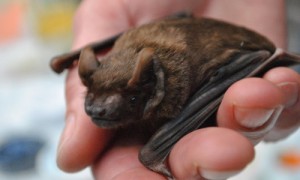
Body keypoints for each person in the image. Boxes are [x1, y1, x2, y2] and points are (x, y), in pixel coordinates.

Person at [56, 0, 300, 179]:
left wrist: (154, 152)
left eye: (131, 98)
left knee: (152, 153)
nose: (97, 107)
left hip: (241, 53)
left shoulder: (177, 85)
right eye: (92, 91)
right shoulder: (124, 44)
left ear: (153, 89)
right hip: (181, 29)